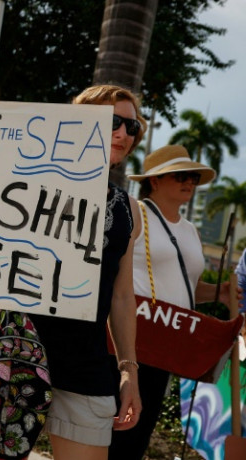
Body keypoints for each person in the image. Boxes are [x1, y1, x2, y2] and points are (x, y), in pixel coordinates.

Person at [0, 85, 144, 459]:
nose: (123, 133)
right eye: (113, 121)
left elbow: (122, 296)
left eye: (133, 126)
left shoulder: (130, 211)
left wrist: (129, 370)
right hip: (12, 352)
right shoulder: (23, 178)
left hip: (85, 363)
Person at [108, 145, 239, 459]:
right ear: (154, 180)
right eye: (180, 175)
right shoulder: (134, 212)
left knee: (137, 437)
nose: (190, 182)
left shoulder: (190, 231)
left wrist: (218, 292)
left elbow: (185, 287)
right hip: (128, 341)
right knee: (115, 433)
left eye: (193, 177)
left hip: (167, 347)